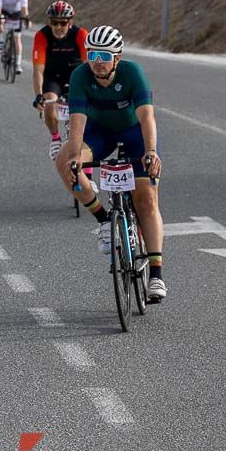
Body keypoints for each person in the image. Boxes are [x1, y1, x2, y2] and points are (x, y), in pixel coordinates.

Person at [54, 26, 167, 302]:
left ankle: (156, 274)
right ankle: (104, 220)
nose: (97, 62)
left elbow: (146, 117)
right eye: (92, 54)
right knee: (64, 162)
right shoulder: (81, 75)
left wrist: (151, 151)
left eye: (104, 55)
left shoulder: (132, 73)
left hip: (133, 133)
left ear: (117, 57)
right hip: (98, 133)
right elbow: (77, 121)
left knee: (147, 200)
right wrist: (76, 159)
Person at [31, 0, 88, 160]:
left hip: (75, 76)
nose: (58, 27)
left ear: (70, 22)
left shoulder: (80, 34)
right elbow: (38, 71)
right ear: (49, 22)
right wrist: (38, 95)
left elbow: (88, 67)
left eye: (62, 23)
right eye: (54, 22)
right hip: (52, 77)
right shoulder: (42, 35)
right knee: (49, 102)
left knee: (78, 113)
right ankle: (55, 138)